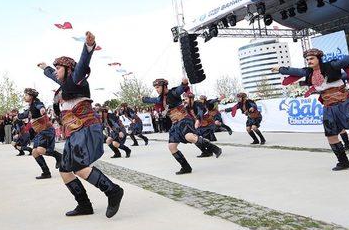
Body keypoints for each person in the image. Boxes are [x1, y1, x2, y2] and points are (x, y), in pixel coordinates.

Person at [38, 31, 124, 218]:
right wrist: (45, 68)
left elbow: (83, 63)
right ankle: (84, 205)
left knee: (78, 167)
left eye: (58, 69)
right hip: (73, 132)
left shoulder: (76, 78)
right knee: (65, 171)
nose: (56, 72)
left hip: (85, 128)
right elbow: (53, 76)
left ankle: (113, 191)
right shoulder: (64, 82)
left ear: (68, 69)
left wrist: (88, 47)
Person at [272, 45, 349, 171]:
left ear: (319, 59)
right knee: (331, 136)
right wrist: (280, 69)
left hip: (346, 101)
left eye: (312, 58)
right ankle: (343, 162)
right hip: (329, 106)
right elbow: (295, 71)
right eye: (307, 59)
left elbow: (346, 60)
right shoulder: (308, 72)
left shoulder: (332, 66)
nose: (309, 61)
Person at [142, 78, 222, 175]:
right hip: (175, 124)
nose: (157, 89)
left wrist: (184, 83)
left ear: (164, 86)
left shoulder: (173, 93)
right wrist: (143, 98)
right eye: (155, 88)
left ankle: (214, 149)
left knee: (189, 136)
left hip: (184, 120)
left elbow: (181, 88)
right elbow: (151, 99)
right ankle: (186, 167)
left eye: (158, 87)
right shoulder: (160, 98)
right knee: (172, 146)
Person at [18, 89, 61, 179]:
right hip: (40, 132)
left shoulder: (37, 103)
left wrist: (42, 109)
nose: (24, 97)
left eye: (26, 95)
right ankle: (46, 172)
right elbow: (25, 114)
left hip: (47, 130)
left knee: (40, 150)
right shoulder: (31, 106)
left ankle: (58, 156)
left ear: (31, 96)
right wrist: (17, 115)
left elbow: (40, 106)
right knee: (34, 152)